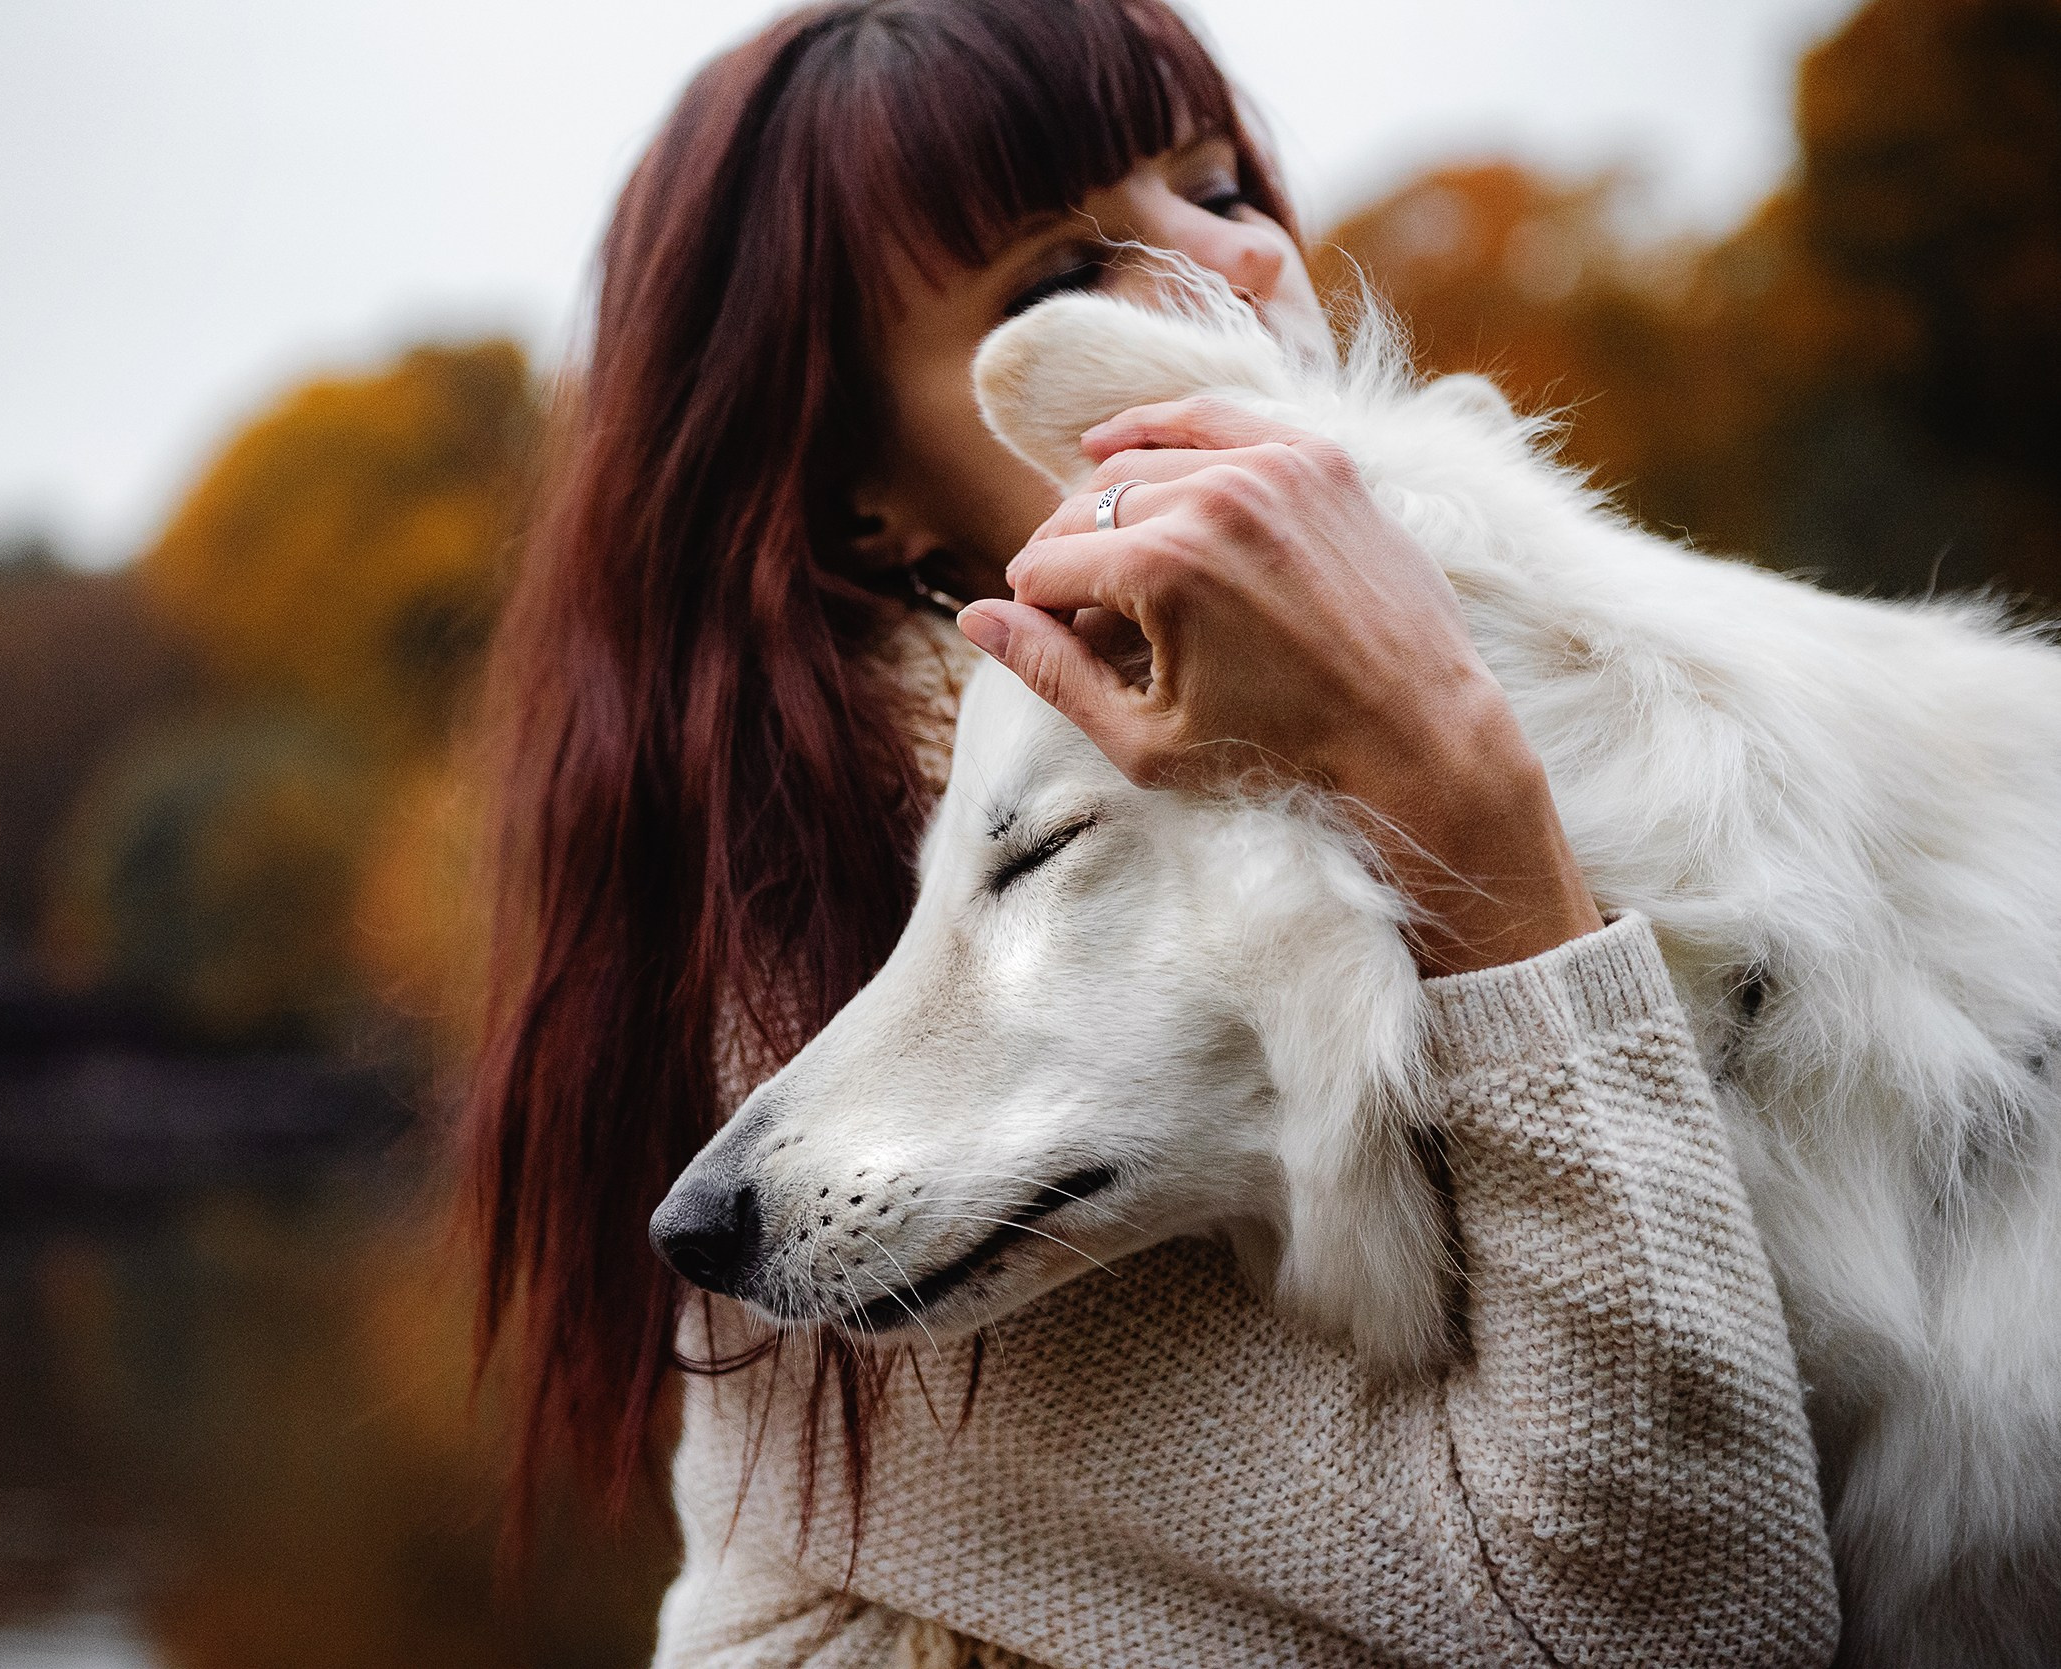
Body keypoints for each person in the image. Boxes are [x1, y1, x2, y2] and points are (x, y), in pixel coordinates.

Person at [463, 1, 1840, 1662]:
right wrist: (1449, 774)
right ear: (860, 502)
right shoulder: (847, 1019)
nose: (1235, 266)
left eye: (1222, 186)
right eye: (1061, 275)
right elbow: (1668, 1619)